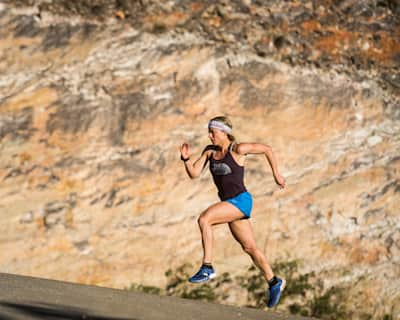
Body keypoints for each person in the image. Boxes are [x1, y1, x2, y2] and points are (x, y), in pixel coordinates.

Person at [179, 115, 286, 308]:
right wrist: (185, 158)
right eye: (209, 132)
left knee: (205, 219)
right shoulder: (210, 152)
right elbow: (194, 174)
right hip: (229, 204)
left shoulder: (238, 149)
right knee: (249, 248)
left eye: (213, 132)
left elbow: (267, 150)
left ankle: (207, 266)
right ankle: (273, 281)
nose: (210, 136)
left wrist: (276, 174)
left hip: (241, 201)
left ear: (224, 132)